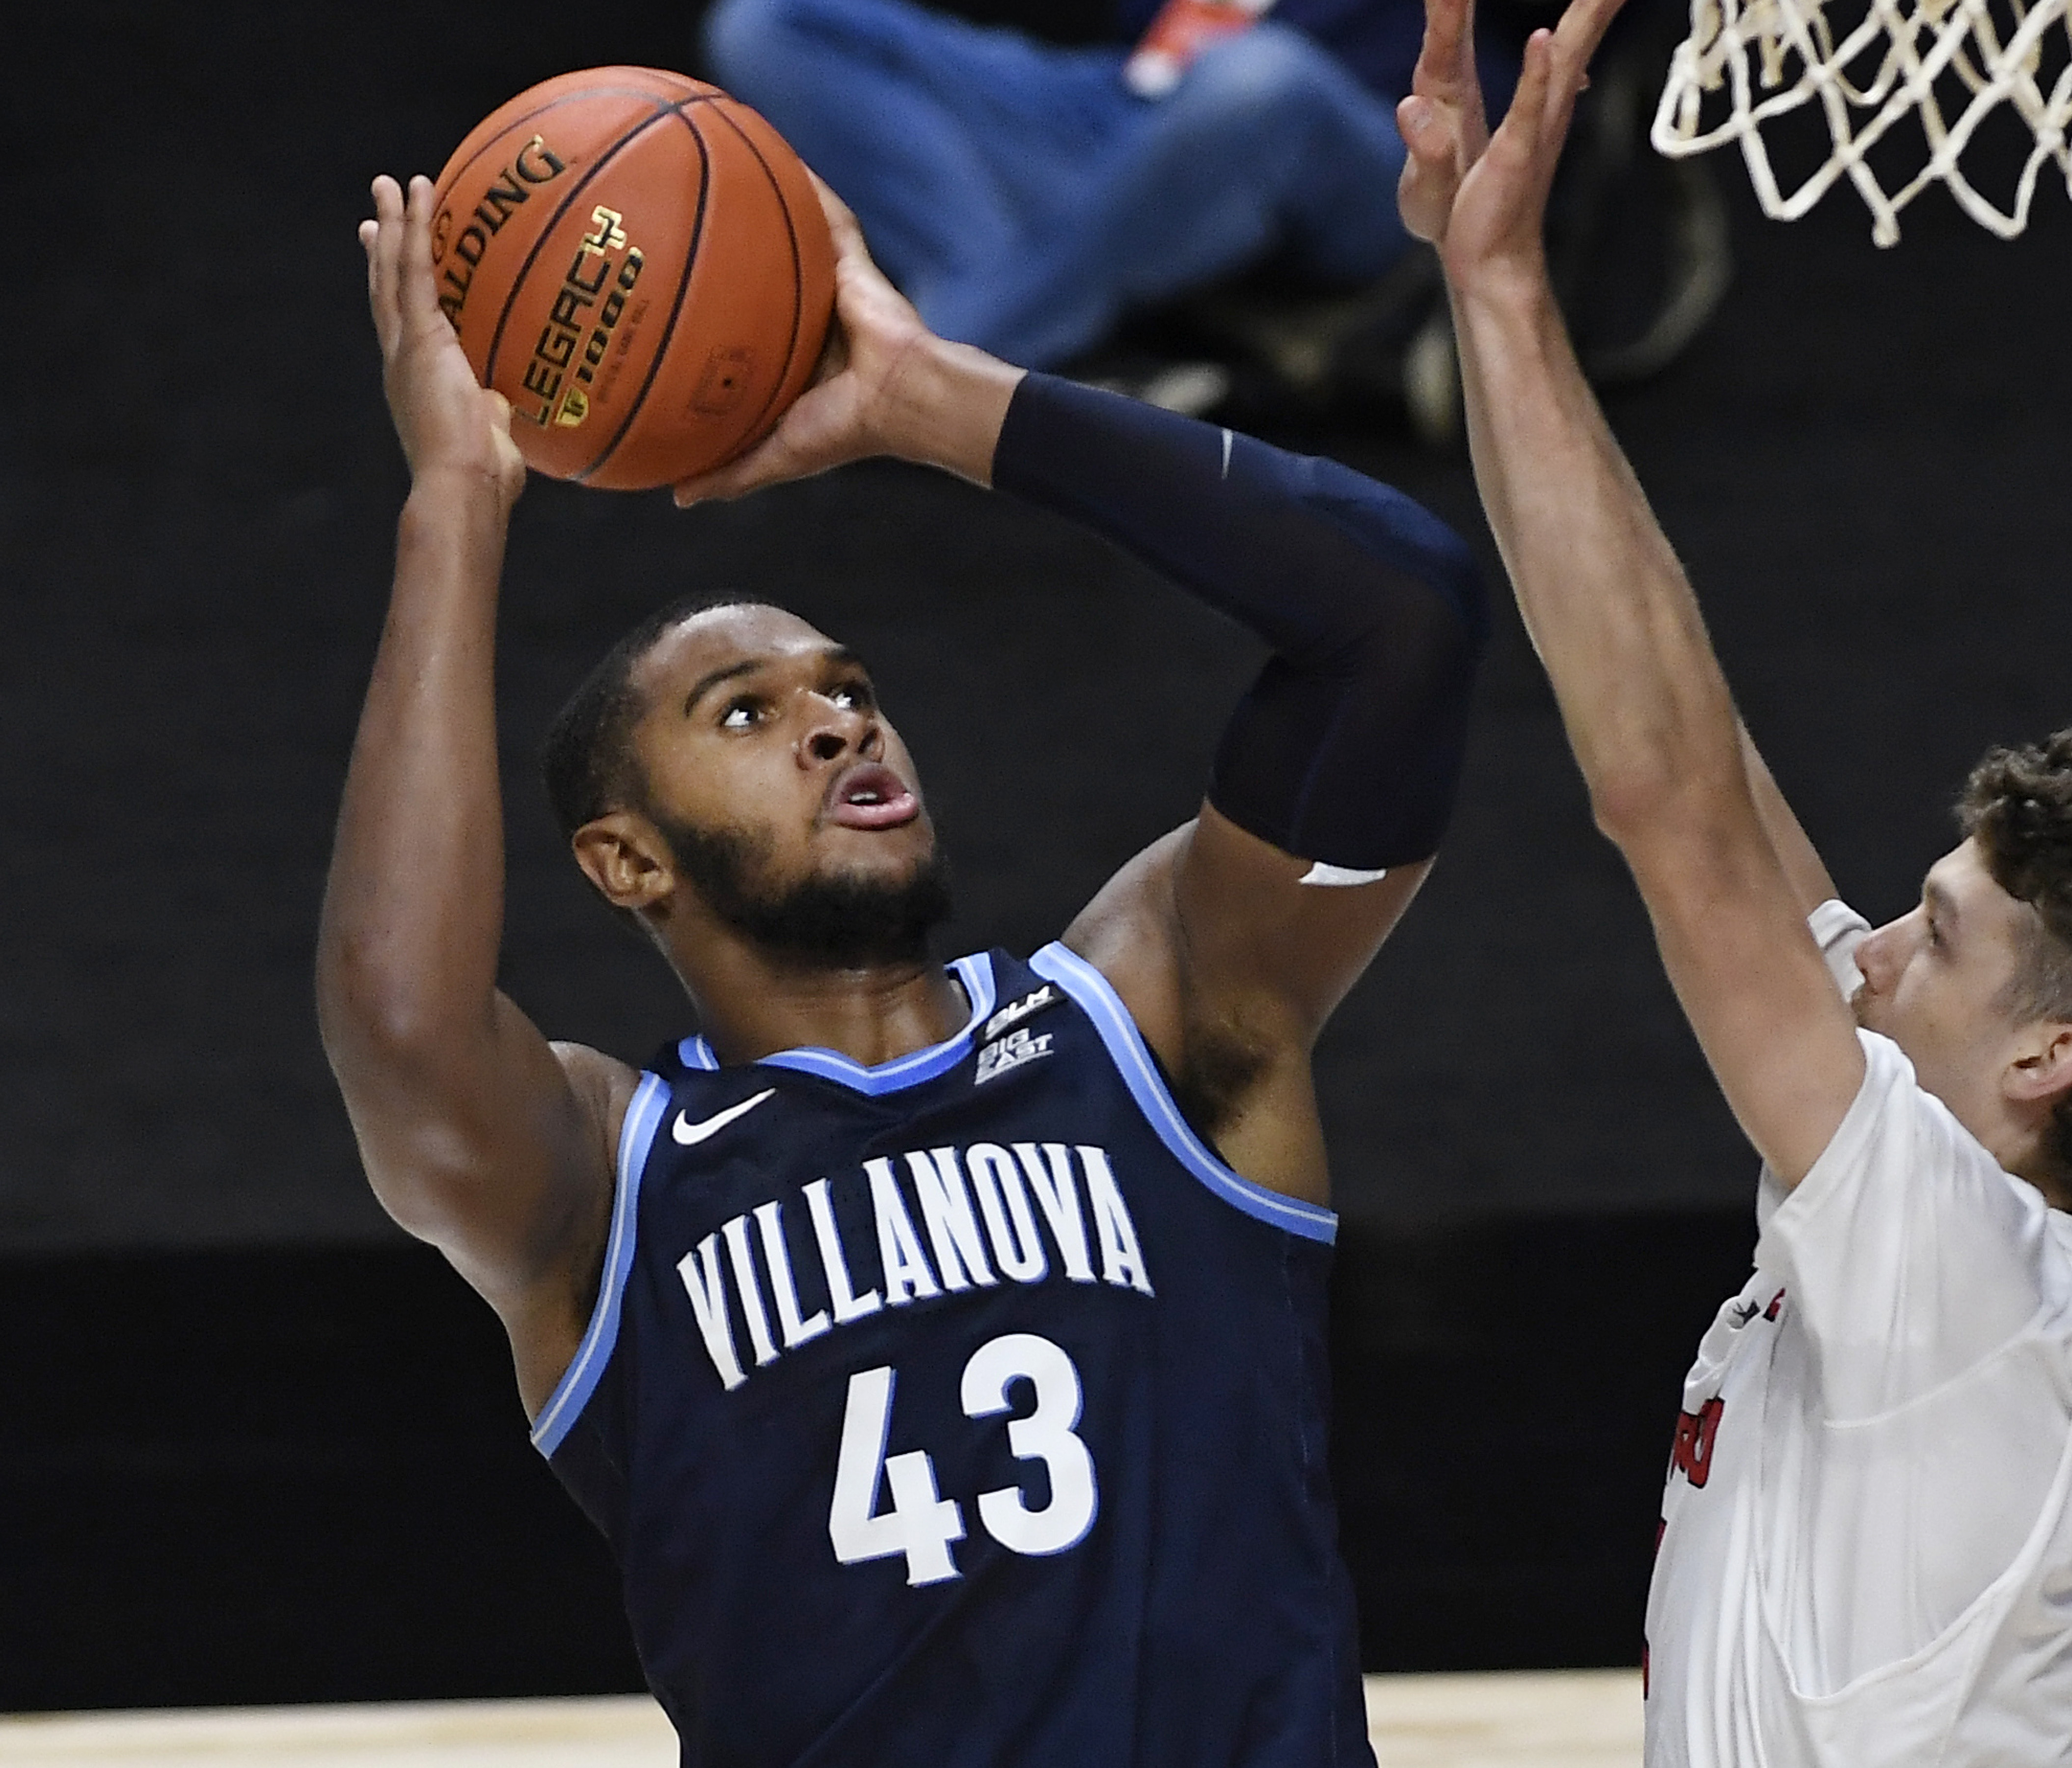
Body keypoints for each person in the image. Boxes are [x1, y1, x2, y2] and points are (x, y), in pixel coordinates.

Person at [324, 169, 1486, 1765]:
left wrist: (942, 404)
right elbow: (398, 1024)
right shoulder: (610, 1185)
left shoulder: (1156, 1018)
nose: (837, 719)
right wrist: (455, 498)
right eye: (745, 711)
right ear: (628, 859)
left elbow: (1403, 617)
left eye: (849, 687)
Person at [1393, 3, 2072, 1762]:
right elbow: (1702, 747)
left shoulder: (1955, 1254)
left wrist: (1516, 293)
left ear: (2048, 1058)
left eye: (1938, 934)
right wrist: (1486, 286)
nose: (1868, 945)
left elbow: (1662, 802)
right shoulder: (1982, 1193)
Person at [701, 0, 1516, 388]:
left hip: (1367, 135)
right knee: (773, 24)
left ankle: (945, 353)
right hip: (1126, 104)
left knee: (1261, 81)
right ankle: (1013, 321)